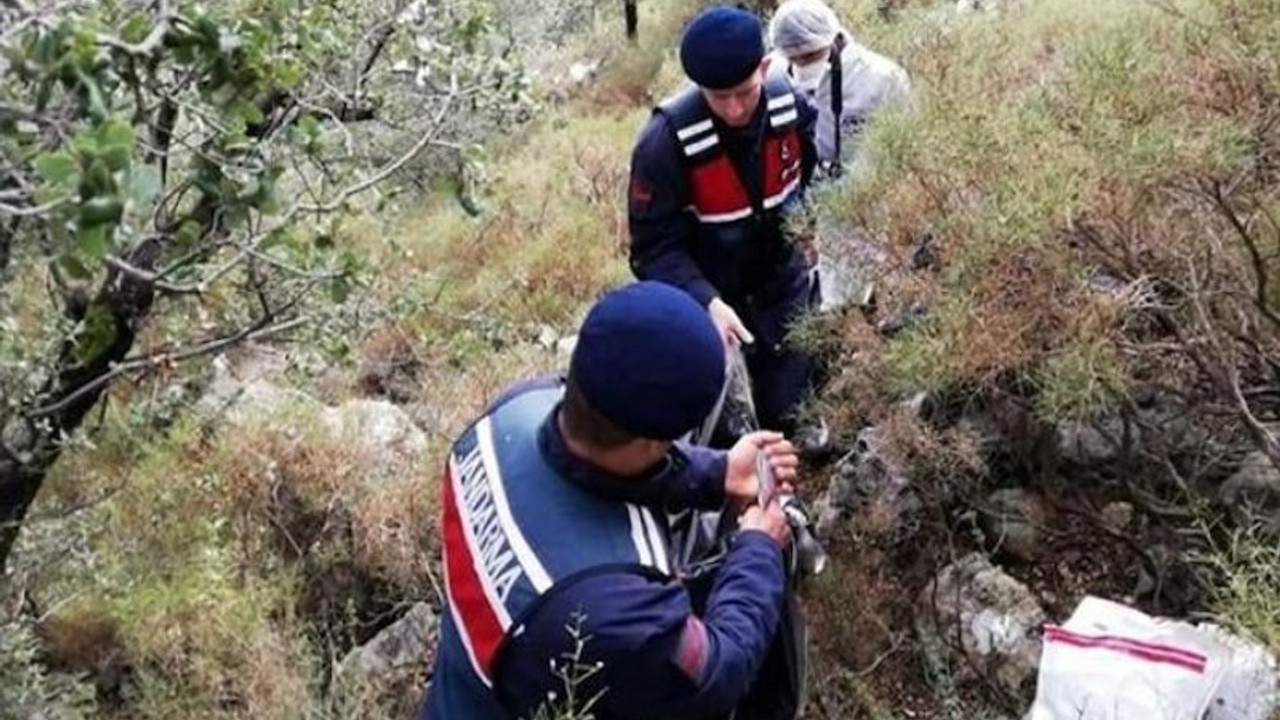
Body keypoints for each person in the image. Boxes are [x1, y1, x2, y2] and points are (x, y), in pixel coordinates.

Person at [418, 281, 801, 720]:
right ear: (649, 442)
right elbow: (716, 676)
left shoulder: (510, 414)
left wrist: (717, 474)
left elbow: (595, 463)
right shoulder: (608, 612)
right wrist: (758, 548)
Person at [627, 5, 821, 438]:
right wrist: (706, 302)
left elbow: (806, 178)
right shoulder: (664, 145)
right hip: (708, 290)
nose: (734, 109)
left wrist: (808, 228)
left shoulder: (792, 109)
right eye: (719, 97)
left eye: (744, 91)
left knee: (790, 402)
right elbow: (651, 250)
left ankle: (797, 420)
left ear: (765, 67)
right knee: (724, 424)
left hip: (778, 275)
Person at [768, 0, 911, 176]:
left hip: (859, 186)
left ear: (832, 40)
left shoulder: (883, 78)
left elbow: (901, 149)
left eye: (811, 55)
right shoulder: (773, 74)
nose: (803, 64)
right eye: (793, 58)